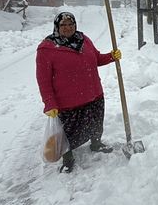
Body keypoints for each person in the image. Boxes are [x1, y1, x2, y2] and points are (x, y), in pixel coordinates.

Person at [36, 11, 122, 173]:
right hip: (67, 102)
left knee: (96, 123)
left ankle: (96, 144)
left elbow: (96, 59)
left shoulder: (84, 40)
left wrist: (111, 56)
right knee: (67, 132)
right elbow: (43, 80)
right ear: (57, 27)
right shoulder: (47, 48)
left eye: (71, 24)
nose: (68, 28)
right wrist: (49, 103)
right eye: (63, 25)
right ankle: (67, 158)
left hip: (94, 94)